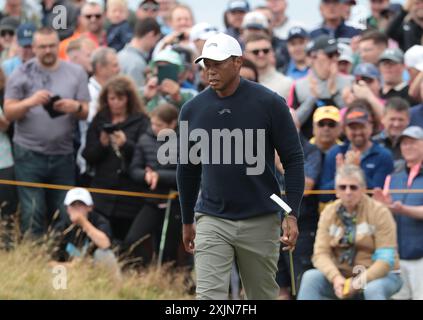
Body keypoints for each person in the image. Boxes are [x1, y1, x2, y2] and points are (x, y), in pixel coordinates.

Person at [177, 32, 304, 300]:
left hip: (262, 217)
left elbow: (293, 160)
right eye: (206, 64)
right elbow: (187, 169)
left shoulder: (270, 103)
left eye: (217, 63)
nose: (210, 71)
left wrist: (290, 213)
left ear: (237, 62)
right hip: (211, 217)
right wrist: (187, 218)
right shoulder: (192, 110)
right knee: (209, 298)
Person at [4, 27, 90, 237]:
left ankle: (64, 257)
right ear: (34, 48)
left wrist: (74, 107)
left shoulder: (75, 72)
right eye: (42, 47)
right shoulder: (21, 73)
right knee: (33, 209)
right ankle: (34, 257)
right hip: (29, 153)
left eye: (52, 45)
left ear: (58, 45)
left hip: (63, 154)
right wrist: (30, 102)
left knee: (65, 208)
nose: (48, 50)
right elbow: (9, 112)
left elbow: (86, 111)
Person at [298, 164, 403, 300]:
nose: (348, 192)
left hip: (380, 275)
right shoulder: (328, 212)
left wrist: (359, 282)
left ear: (363, 189)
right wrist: (335, 277)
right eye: (343, 187)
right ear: (336, 190)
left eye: (353, 187)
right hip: (342, 276)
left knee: (373, 289)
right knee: (311, 277)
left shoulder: (379, 212)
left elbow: (385, 260)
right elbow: (320, 254)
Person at [82, 76, 150, 243]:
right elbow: (88, 155)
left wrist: (126, 144)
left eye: (120, 98)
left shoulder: (141, 121)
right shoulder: (100, 120)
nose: (116, 103)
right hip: (102, 190)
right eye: (112, 98)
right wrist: (102, 144)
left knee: (126, 239)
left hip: (129, 192)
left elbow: (146, 153)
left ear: (128, 99)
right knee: (100, 236)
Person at [127, 103, 183, 266]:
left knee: (168, 251)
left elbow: (189, 175)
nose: (155, 128)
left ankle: (166, 281)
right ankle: (145, 272)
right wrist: (147, 176)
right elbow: (134, 169)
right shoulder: (145, 139)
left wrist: (160, 175)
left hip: (175, 204)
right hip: (151, 202)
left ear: (172, 124)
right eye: (153, 124)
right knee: (133, 240)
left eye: (159, 125)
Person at [374, 126, 423, 300]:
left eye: (412, 143)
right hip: (397, 256)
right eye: (404, 143)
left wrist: (403, 209)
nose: (407, 147)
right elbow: (386, 211)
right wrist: (383, 206)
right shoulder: (394, 176)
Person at [318, 105, 394, 203]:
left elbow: (378, 194)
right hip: (340, 212)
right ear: (345, 129)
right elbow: (322, 195)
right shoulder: (335, 153)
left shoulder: (383, 155)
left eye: (362, 127)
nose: (358, 132)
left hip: (371, 214)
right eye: (353, 128)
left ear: (371, 127)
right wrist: (341, 174)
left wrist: (357, 170)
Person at [288, 34, 353, 139]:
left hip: (341, 145)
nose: (335, 59)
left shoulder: (349, 82)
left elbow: (354, 120)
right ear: (313, 57)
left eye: (337, 54)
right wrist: (312, 98)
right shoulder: (299, 85)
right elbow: (292, 124)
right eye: (330, 54)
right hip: (308, 147)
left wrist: (334, 94)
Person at [76, 47, 121, 186]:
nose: (118, 69)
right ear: (100, 68)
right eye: (114, 65)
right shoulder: (89, 92)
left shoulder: (111, 91)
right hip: (91, 163)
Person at [52, 187, 119, 272]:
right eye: (73, 205)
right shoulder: (61, 226)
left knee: (104, 254)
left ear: (90, 207)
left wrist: (83, 222)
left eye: (81, 205)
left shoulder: (99, 220)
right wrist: (71, 266)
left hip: (95, 270)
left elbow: (105, 244)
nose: (76, 208)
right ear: (67, 208)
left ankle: (115, 285)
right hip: (68, 272)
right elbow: (47, 261)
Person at [244, 34, 292, 99]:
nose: (261, 54)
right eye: (255, 52)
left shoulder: (287, 83)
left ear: (272, 52)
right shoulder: (238, 83)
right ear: (246, 55)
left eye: (265, 51)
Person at [118, 18, 161, 88]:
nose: (154, 45)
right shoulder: (137, 64)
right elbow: (136, 95)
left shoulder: (119, 55)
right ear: (151, 35)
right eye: (156, 40)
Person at [372, 97, 410, 172]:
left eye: (401, 119)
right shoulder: (372, 143)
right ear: (383, 119)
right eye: (392, 119)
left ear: (408, 121)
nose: (396, 124)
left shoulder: (415, 145)